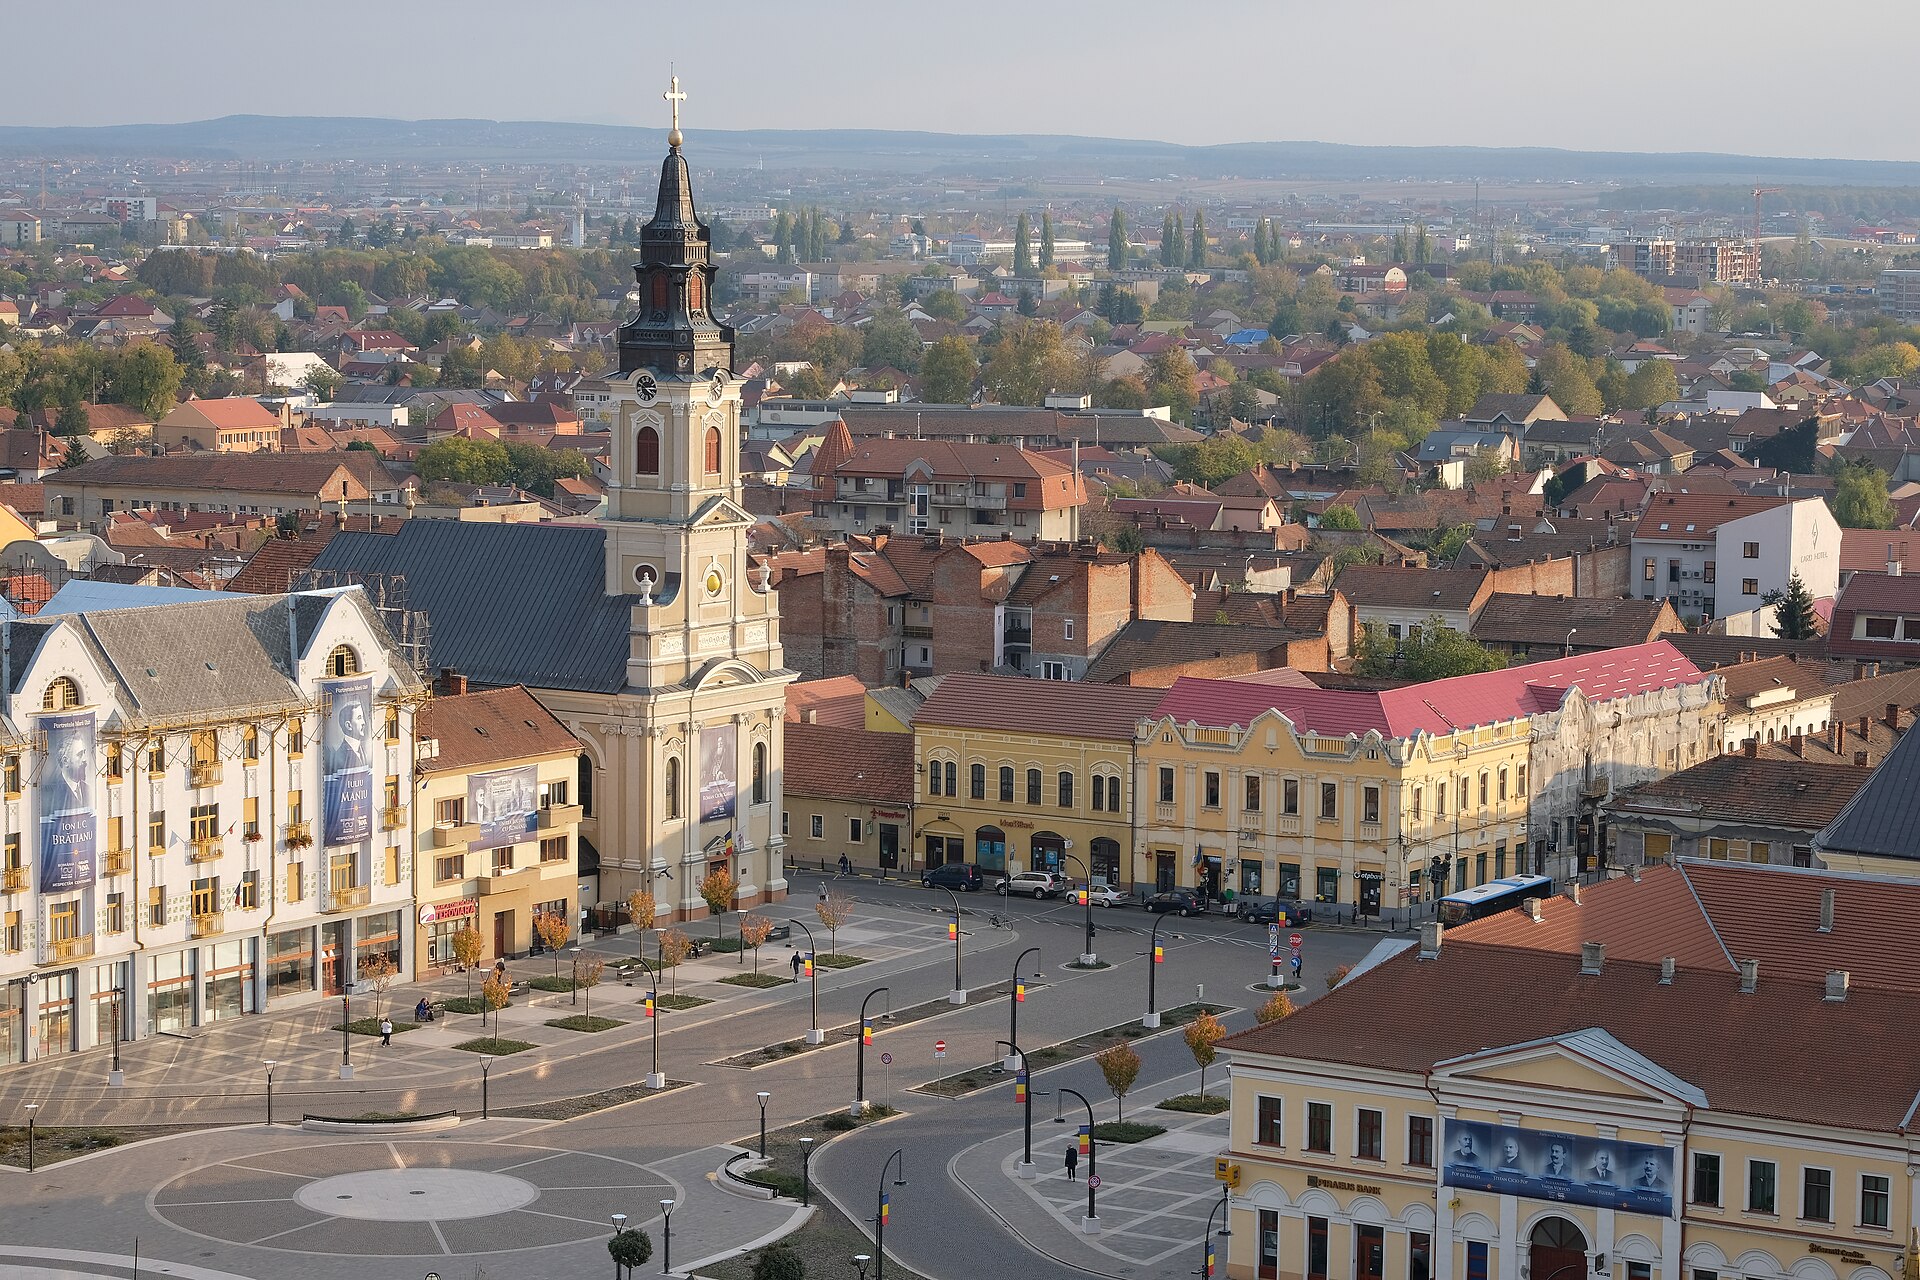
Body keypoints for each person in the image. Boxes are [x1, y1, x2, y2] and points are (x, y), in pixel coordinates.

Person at [326, 689, 372, 776]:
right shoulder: (340, 756)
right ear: (348, 725)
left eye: (362, 717)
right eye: (359, 718)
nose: (364, 722)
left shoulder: (363, 750)